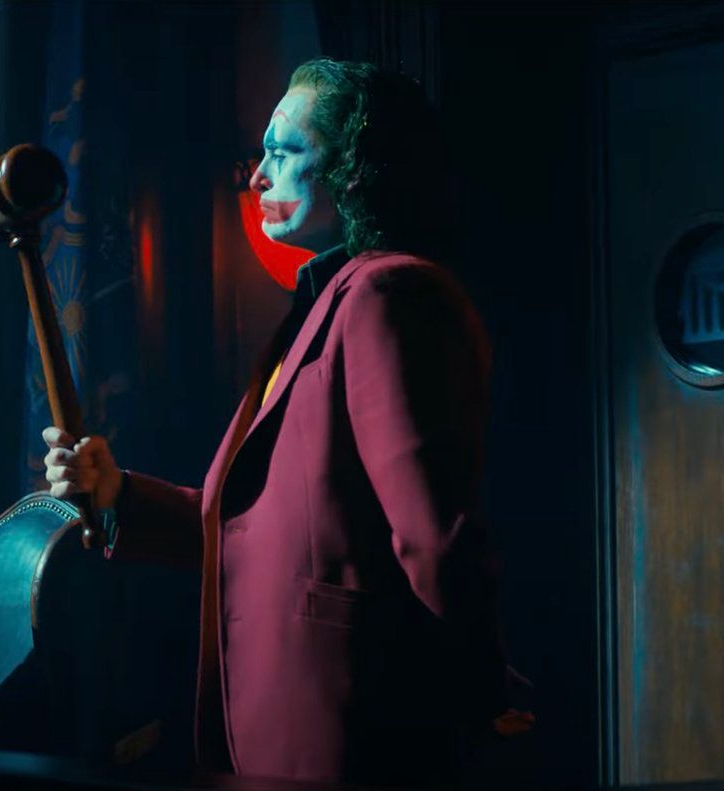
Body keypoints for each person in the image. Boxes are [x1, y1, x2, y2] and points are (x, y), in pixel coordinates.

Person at [43, 59, 511, 785]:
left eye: (285, 152)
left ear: (355, 168)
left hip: (350, 730)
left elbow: (434, 536)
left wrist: (482, 698)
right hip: (279, 722)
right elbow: (251, 526)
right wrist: (116, 495)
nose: (258, 176)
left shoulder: (389, 294)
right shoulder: (323, 306)